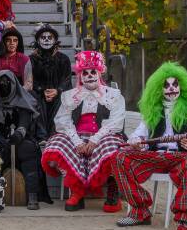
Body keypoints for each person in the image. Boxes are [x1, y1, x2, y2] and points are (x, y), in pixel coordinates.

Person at [114, 62, 187, 230]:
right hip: (155, 156)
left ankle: (184, 220)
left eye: (175, 84)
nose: (171, 89)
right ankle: (140, 211)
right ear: (159, 89)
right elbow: (138, 134)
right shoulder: (152, 110)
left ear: (182, 86)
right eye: (166, 85)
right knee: (119, 157)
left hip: (181, 158)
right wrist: (136, 141)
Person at [42, 50, 126, 212]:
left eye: (93, 72)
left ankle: (113, 191)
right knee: (56, 144)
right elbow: (63, 121)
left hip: (104, 135)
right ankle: (77, 190)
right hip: (77, 136)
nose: (89, 76)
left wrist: (95, 140)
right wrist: (77, 142)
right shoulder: (70, 96)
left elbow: (116, 122)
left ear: (99, 73)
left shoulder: (113, 95)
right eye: (85, 73)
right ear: (80, 75)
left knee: (114, 148)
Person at [0, 70, 49, 210]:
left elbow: (24, 122)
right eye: (1, 82)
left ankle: (32, 195)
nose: (4, 85)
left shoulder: (23, 100)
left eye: (7, 82)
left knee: (27, 150)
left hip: (22, 139)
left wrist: (19, 134)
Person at [29, 24, 72, 137]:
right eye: (43, 37)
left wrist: (58, 91)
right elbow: (30, 81)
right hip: (39, 93)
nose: (46, 40)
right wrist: (42, 90)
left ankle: (55, 133)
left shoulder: (64, 59)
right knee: (34, 98)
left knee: (63, 98)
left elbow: (67, 80)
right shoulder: (31, 59)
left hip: (58, 93)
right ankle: (41, 136)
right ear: (38, 40)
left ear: (55, 40)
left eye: (50, 37)